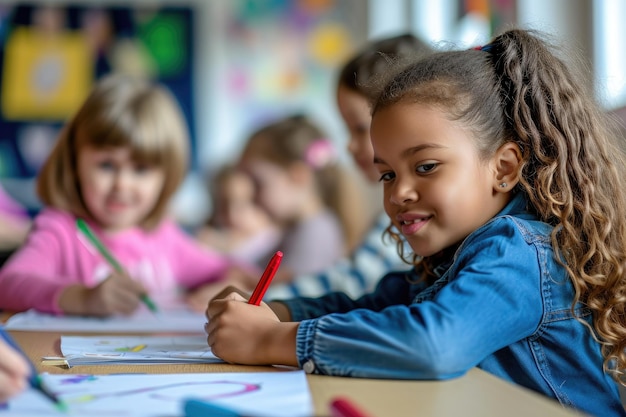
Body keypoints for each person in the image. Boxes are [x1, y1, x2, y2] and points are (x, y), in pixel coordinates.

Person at [205, 28, 626, 417]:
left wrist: (270, 340)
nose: (398, 192)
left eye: (425, 166)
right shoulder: (456, 254)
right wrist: (273, 311)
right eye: (387, 173)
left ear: (503, 168)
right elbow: (376, 305)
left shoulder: (518, 252)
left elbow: (433, 344)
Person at [0, 74, 233, 317]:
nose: (122, 185)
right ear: (74, 163)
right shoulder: (60, 231)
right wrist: (82, 297)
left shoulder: (162, 234)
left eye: (141, 169)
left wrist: (223, 285)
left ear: (167, 176)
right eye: (107, 166)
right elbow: (8, 284)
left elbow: (228, 269)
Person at [265, 33, 433, 299]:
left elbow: (352, 284)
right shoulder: (396, 208)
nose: (350, 146)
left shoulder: (409, 211)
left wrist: (266, 299)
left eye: (358, 129)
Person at [195, 164, 282, 266]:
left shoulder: (272, 241)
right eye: (224, 206)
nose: (232, 215)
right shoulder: (207, 237)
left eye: (242, 205)